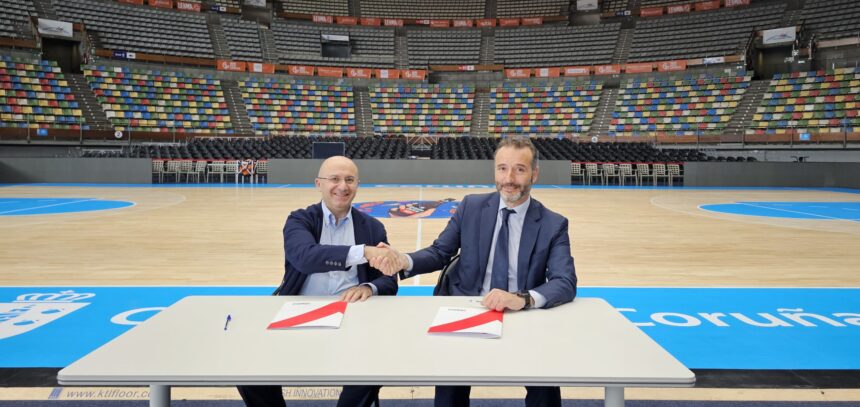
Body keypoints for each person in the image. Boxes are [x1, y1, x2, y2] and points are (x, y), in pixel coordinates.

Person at [373, 136, 578, 407]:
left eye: (519, 169)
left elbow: (565, 281)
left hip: (522, 313)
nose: (509, 178)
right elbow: (439, 252)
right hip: (468, 308)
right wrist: (404, 260)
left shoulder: (553, 224)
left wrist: (522, 299)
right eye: (502, 168)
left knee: (545, 390)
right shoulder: (471, 206)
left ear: (534, 173)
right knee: (450, 392)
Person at [237, 156, 399, 407]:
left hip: (353, 315)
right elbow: (304, 257)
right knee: (246, 366)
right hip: (299, 310)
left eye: (349, 180)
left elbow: (389, 279)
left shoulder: (372, 226)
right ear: (318, 184)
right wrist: (363, 252)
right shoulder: (299, 220)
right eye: (334, 179)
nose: (342, 186)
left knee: (375, 364)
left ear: (357, 184)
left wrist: (369, 286)